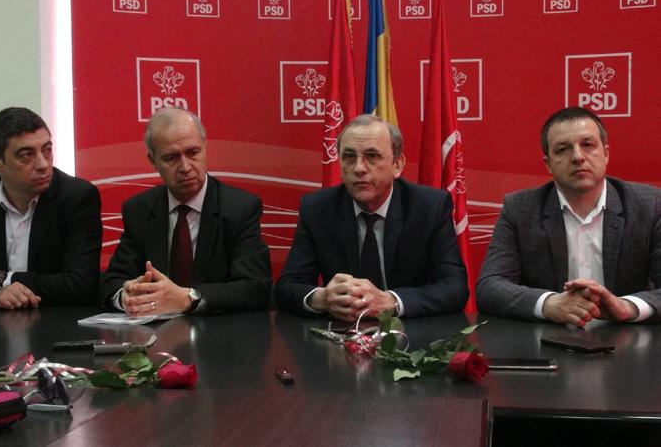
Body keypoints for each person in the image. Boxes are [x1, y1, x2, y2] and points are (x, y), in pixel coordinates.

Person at [477, 107, 661, 326]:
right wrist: (548, 304)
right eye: (563, 149)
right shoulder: (519, 209)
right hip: (549, 339)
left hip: (626, 338)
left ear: (606, 153)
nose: (578, 157)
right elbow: (490, 286)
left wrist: (627, 307)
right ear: (548, 163)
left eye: (587, 145)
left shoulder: (649, 205)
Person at [274, 114, 468, 321]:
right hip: (341, 332)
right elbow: (287, 287)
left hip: (411, 333)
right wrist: (321, 298)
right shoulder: (317, 208)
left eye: (372, 156)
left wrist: (391, 301)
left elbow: (454, 288)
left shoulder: (429, 207)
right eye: (349, 157)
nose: (359, 168)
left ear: (397, 165)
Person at [100, 107, 271, 315]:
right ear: (153, 161)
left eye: (193, 153)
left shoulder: (240, 208)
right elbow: (112, 282)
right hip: (154, 331)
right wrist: (126, 297)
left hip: (218, 331)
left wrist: (188, 298)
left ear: (205, 148)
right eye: (171, 158)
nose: (185, 167)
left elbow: (256, 288)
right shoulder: (139, 209)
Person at [0, 107, 102, 309]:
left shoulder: (77, 197)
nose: (43, 164)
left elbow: (81, 285)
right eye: (27, 155)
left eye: (47, 150)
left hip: (55, 321)